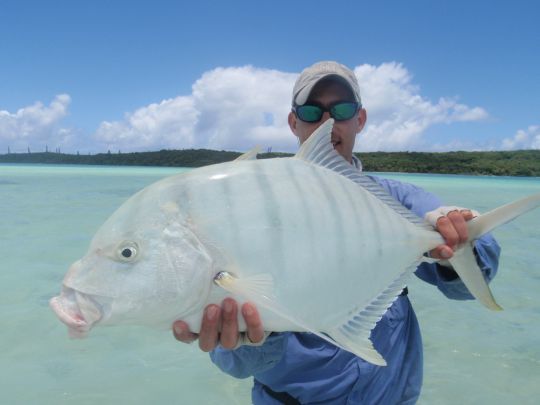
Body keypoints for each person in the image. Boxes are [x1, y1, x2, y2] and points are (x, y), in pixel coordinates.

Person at [172, 61, 500, 404]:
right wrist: (252, 335)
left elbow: (468, 279)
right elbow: (239, 365)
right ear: (293, 122)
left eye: (341, 110)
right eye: (312, 111)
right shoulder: (245, 208)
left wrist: (458, 233)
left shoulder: (397, 200)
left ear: (360, 119)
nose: (328, 123)